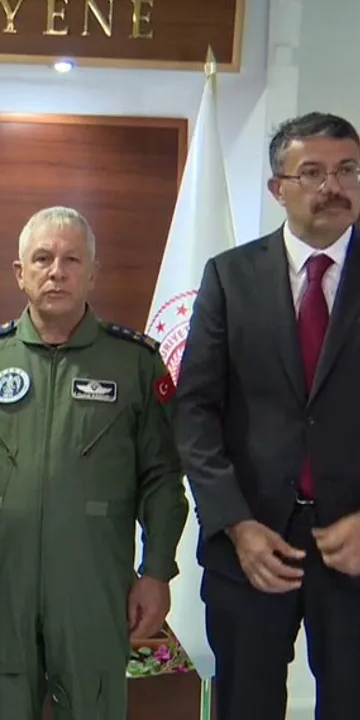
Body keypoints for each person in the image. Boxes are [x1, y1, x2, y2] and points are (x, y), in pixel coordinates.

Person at [0, 206, 187, 720]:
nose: (57, 272)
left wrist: (157, 570)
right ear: (19, 272)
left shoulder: (134, 363)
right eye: (43, 258)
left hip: (93, 585)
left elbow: (162, 478)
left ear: (92, 273)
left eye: (72, 260)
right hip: (2, 583)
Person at [174, 112, 360, 720]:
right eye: (313, 173)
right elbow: (195, 410)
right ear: (278, 188)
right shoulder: (230, 277)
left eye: (348, 170)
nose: (333, 186)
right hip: (252, 547)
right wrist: (235, 523)